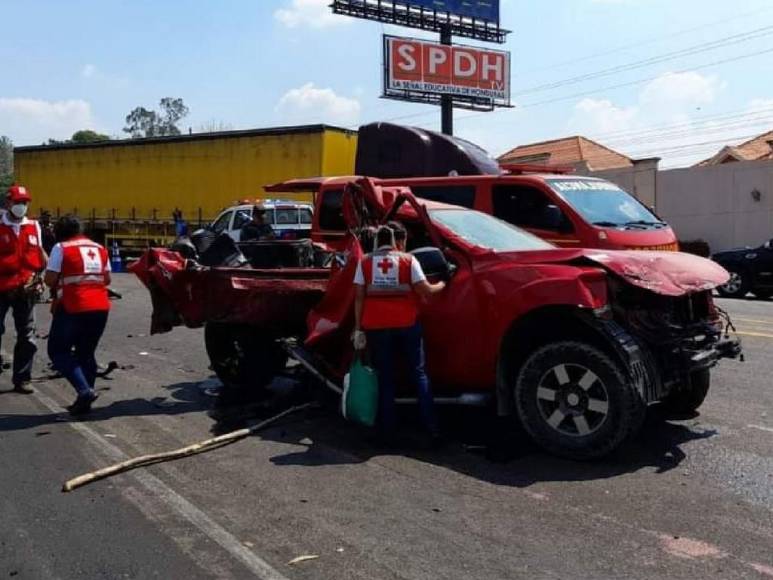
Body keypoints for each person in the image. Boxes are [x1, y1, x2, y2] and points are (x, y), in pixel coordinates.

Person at [352, 222, 446, 443]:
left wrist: (357, 328)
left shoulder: (365, 262)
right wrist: (443, 282)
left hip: (376, 327)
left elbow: (359, 298)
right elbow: (427, 291)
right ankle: (432, 428)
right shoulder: (408, 260)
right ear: (396, 241)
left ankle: (387, 432)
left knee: (385, 377)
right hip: (407, 324)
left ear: (377, 242)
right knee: (419, 374)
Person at [44, 215, 111, 415]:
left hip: (73, 306)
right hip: (100, 306)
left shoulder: (61, 248)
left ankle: (84, 391)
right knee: (86, 353)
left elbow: (49, 279)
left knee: (58, 351)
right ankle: (85, 402)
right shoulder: (99, 248)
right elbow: (107, 279)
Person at [0, 185, 47, 394]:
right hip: (2, 288)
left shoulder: (34, 226)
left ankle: (22, 379)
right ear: (8, 203)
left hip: (26, 289)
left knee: (27, 335)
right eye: (18, 202)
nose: (21, 206)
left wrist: (41, 276)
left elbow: (40, 253)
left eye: (24, 202)